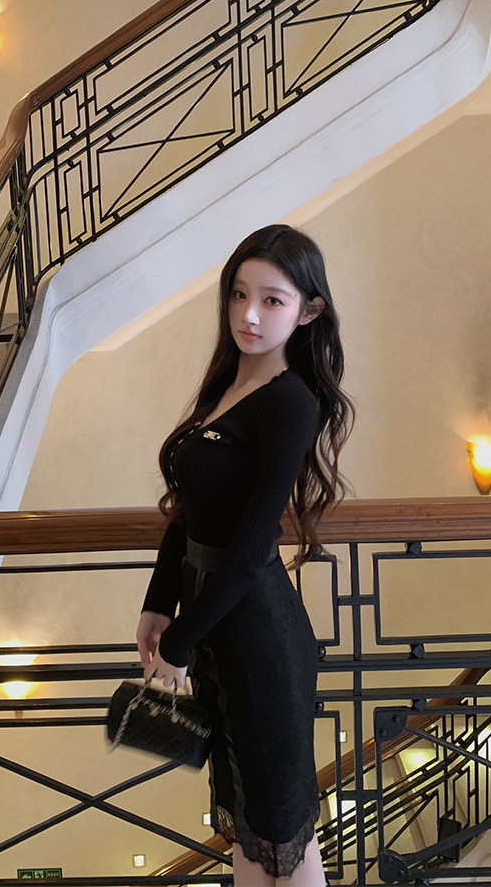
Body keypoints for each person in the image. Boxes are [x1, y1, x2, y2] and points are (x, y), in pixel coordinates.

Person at [136, 224, 353, 886]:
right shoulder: (225, 386)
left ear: (309, 310)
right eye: (238, 294)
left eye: (271, 300)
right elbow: (189, 512)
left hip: (259, 639)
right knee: (245, 828)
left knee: (284, 838)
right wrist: (158, 603)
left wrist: (181, 640)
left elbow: (253, 548)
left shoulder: (291, 402)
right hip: (218, 634)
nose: (249, 315)